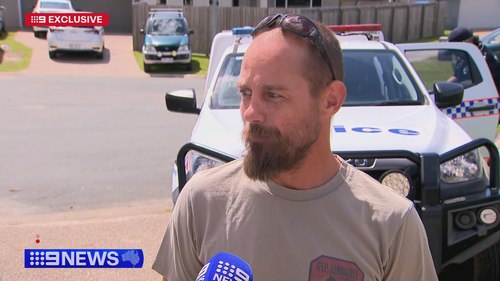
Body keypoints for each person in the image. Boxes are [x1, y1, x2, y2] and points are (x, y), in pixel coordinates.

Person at [152, 13, 439, 281]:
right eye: (245, 93)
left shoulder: (392, 224)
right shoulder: (201, 202)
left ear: (330, 100)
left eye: (273, 94)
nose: (251, 112)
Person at [447, 27, 500, 95]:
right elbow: (456, 76)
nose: (454, 53)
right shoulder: (465, 55)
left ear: (468, 42)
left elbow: (479, 83)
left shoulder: (483, 58)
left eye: (455, 50)